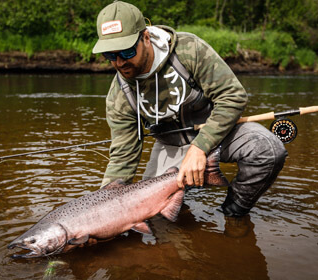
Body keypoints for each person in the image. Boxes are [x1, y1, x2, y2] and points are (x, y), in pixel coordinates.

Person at [92, 1, 287, 217]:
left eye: (127, 51)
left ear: (146, 37)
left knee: (268, 150)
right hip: (171, 146)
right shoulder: (119, 95)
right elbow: (123, 156)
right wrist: (102, 212)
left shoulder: (189, 50)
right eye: (110, 55)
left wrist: (200, 147)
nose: (119, 62)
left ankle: (234, 213)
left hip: (218, 132)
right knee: (154, 216)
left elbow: (233, 96)